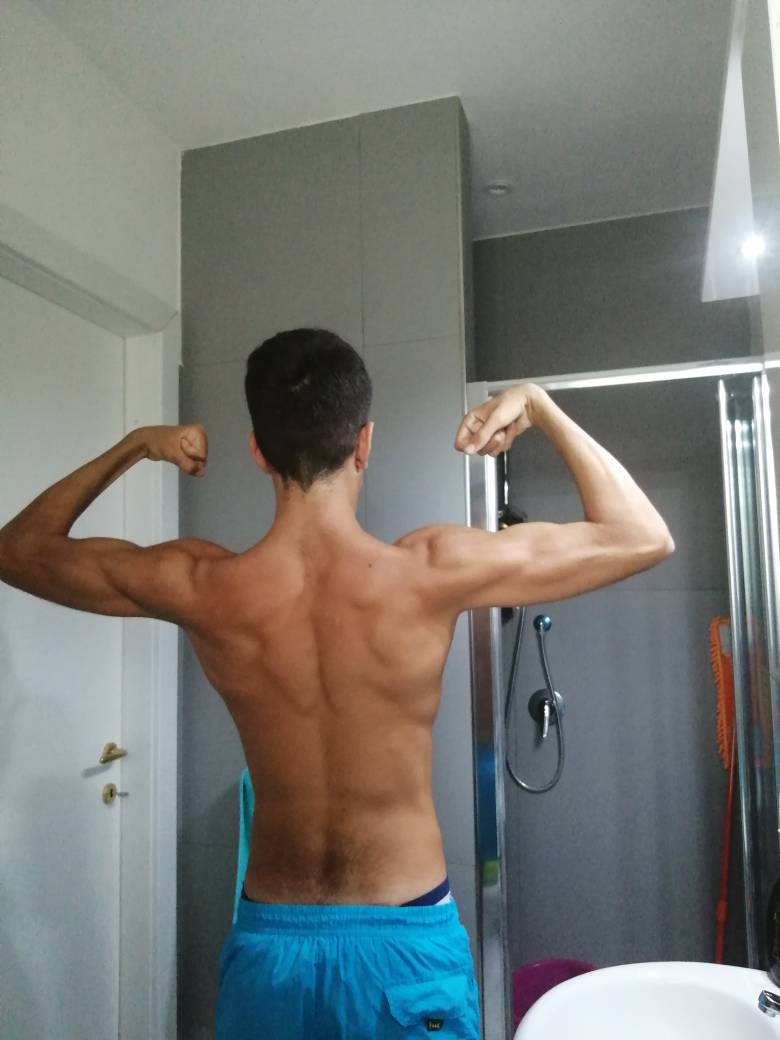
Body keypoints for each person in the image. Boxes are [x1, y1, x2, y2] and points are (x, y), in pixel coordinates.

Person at [0, 327, 674, 1039]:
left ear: (258, 450)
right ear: (364, 443)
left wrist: (138, 445)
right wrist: (537, 404)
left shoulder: (202, 585)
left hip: (271, 950)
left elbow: (18, 550)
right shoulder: (430, 570)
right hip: (404, 944)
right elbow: (641, 535)